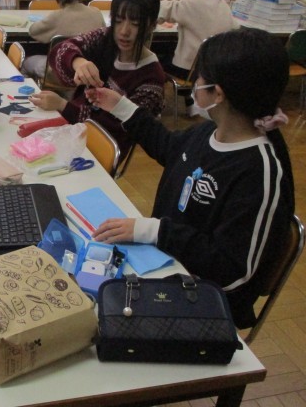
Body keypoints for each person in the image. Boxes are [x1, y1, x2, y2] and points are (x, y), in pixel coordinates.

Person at [88, 28, 295, 329]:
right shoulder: (210, 132)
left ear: (217, 94)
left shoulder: (259, 173)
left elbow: (231, 270)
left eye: (199, 77)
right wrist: (119, 105)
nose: (194, 83)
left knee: (99, 319)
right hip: (164, 263)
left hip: (205, 307)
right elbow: (169, 147)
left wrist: (155, 231)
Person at [30, 0, 165, 163]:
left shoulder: (151, 78)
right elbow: (60, 50)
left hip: (96, 153)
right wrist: (78, 62)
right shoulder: (104, 38)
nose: (124, 31)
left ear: (152, 25)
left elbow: (114, 127)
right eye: (118, 20)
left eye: (135, 24)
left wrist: (63, 105)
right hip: (72, 132)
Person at [157, 0, 238, 116]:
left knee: (155, 57)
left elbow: (161, 9)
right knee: (179, 49)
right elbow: (235, 26)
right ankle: (190, 105)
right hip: (214, 69)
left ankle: (157, 106)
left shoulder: (192, 4)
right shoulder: (224, 5)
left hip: (188, 71)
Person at [21, 0, 105, 81]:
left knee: (24, 63)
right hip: (91, 71)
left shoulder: (57, 16)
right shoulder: (96, 13)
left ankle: (36, 90)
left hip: (61, 71)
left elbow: (33, 32)